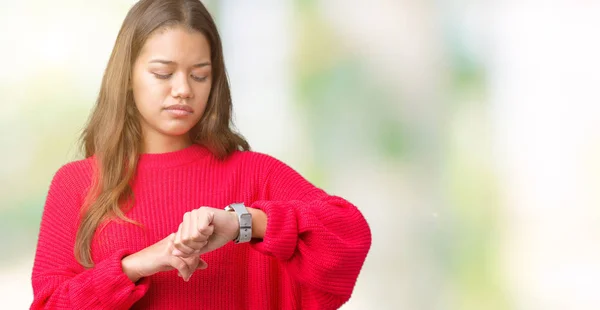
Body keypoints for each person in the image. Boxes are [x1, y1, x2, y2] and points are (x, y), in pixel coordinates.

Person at [30, 0, 371, 309]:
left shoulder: (256, 174)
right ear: (128, 76)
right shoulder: (77, 183)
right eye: (163, 73)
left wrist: (242, 223)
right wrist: (134, 266)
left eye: (199, 75)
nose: (183, 90)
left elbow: (349, 234)